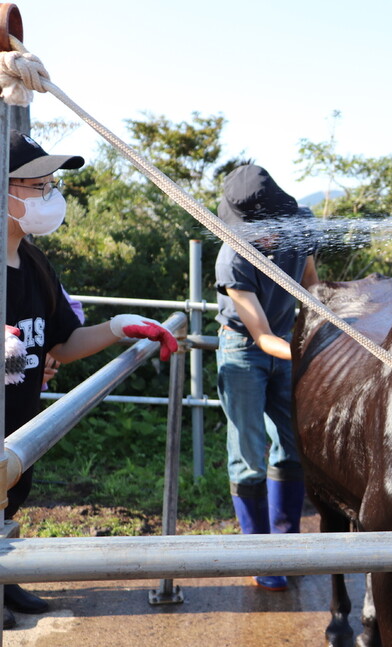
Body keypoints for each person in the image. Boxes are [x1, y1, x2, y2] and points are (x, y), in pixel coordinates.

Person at [3, 131, 178, 629]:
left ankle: (5, 579)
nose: (50, 196)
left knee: (9, 500)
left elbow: (61, 343)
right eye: (37, 185)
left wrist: (119, 327)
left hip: (18, 426)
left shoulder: (34, 262)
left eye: (51, 184)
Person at [214, 164, 319, 592]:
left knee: (292, 443)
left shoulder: (300, 229)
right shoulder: (233, 256)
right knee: (248, 449)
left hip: (288, 341)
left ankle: (286, 546)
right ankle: (259, 553)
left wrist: (328, 329)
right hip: (244, 349)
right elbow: (259, 334)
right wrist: (310, 348)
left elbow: (311, 286)